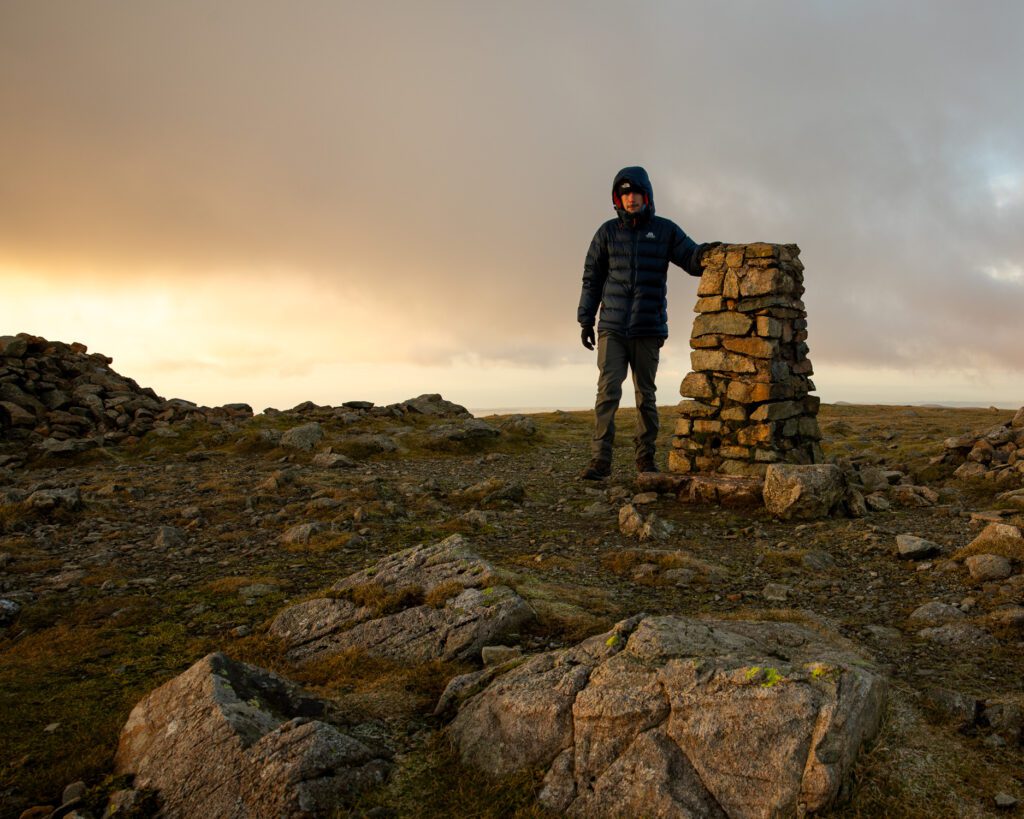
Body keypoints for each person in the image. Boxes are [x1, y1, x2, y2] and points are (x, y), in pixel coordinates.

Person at [577, 165, 718, 480]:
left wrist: (710, 254)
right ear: (618, 198)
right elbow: (592, 278)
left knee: (646, 395)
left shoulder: (665, 231)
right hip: (611, 328)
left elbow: (691, 258)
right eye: (624, 194)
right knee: (607, 392)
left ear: (647, 196)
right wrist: (586, 319)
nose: (630, 199)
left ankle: (645, 460)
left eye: (635, 193)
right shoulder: (607, 233)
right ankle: (600, 461)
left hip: (648, 328)